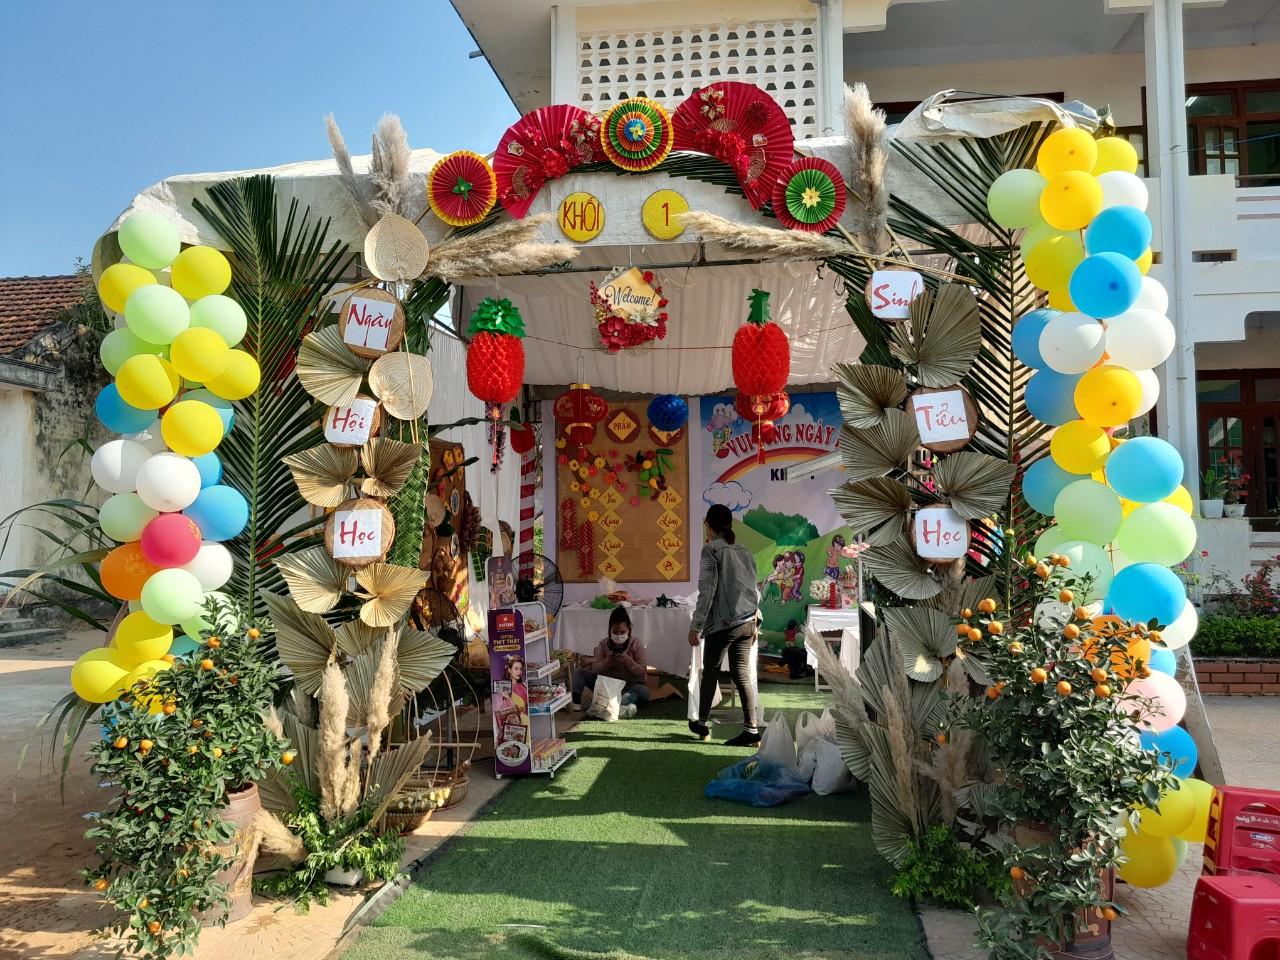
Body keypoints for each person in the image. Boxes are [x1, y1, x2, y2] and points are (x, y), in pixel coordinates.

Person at [688, 503, 761, 746]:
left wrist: (696, 626)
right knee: (742, 675)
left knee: (711, 672)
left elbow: (707, 591)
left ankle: (702, 724)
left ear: (708, 526)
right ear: (729, 525)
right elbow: (753, 589)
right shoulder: (745, 551)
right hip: (748, 621)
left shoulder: (711, 550)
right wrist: (756, 620)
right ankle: (751, 730)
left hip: (724, 623)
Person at [572, 607, 650, 718]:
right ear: (610, 631)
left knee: (644, 692)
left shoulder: (636, 644)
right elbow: (595, 669)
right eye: (615, 632)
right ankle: (576, 702)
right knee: (579, 672)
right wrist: (607, 661)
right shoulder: (604, 644)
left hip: (629, 685)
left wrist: (627, 661)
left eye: (622, 632)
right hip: (607, 686)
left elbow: (642, 673)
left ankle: (616, 701)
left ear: (629, 630)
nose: (619, 635)